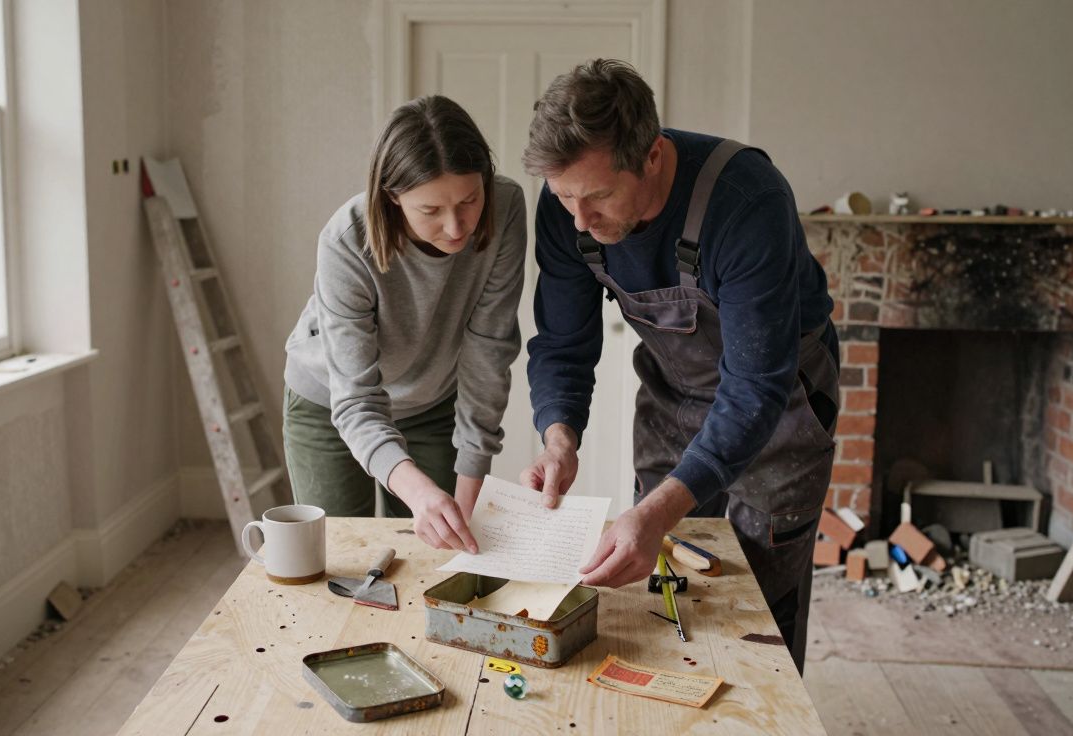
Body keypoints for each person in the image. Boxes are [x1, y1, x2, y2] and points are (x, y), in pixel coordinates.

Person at [520, 60, 839, 671]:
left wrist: (658, 509)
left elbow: (754, 389)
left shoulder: (748, 200)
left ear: (654, 157)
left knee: (755, 606)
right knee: (668, 588)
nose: (579, 221)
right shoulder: (568, 204)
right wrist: (558, 436)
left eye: (598, 197)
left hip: (781, 405)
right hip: (675, 397)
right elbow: (563, 341)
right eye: (565, 200)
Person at [284, 95, 526, 554]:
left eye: (469, 200)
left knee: (438, 552)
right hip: (331, 404)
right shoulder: (346, 241)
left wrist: (467, 500)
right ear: (392, 198)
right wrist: (418, 493)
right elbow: (356, 399)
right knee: (341, 554)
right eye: (431, 211)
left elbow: (489, 350)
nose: (456, 227)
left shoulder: (507, 206)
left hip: (432, 400)